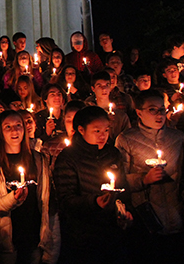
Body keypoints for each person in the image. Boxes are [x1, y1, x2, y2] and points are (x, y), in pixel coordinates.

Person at [115, 89, 184, 262]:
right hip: (144, 219)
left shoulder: (178, 138)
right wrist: (144, 179)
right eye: (152, 109)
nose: (159, 114)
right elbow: (119, 179)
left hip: (176, 216)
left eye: (162, 109)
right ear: (139, 113)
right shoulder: (126, 139)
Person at [53, 106, 133, 264]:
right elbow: (66, 200)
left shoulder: (112, 153)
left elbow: (123, 187)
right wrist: (94, 202)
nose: (103, 136)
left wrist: (125, 210)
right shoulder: (68, 158)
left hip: (113, 232)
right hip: (83, 236)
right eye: (97, 131)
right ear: (81, 130)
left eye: (106, 130)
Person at [0, 110, 58, 264]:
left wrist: (52, 242)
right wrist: (13, 198)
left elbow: (48, 202)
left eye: (18, 125)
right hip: (4, 240)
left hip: (33, 235)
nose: (14, 130)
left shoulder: (38, 160)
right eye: (7, 127)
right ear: (0, 132)